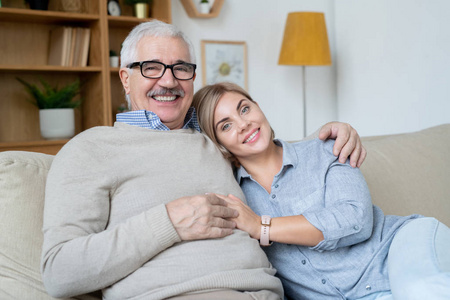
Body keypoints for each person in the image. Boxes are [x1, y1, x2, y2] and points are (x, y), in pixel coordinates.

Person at [41, 20, 366, 300]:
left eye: (181, 68)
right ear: (126, 78)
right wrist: (167, 222)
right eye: (152, 67)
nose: (168, 81)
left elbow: (268, 154)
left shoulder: (213, 141)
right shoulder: (92, 148)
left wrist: (330, 138)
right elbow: (59, 272)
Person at [192, 81, 450, 300]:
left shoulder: (327, 150)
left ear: (259, 108)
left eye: (245, 109)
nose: (244, 124)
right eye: (226, 125)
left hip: (399, 247)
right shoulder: (237, 198)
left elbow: (356, 220)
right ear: (219, 144)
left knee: (423, 290)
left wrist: (262, 227)